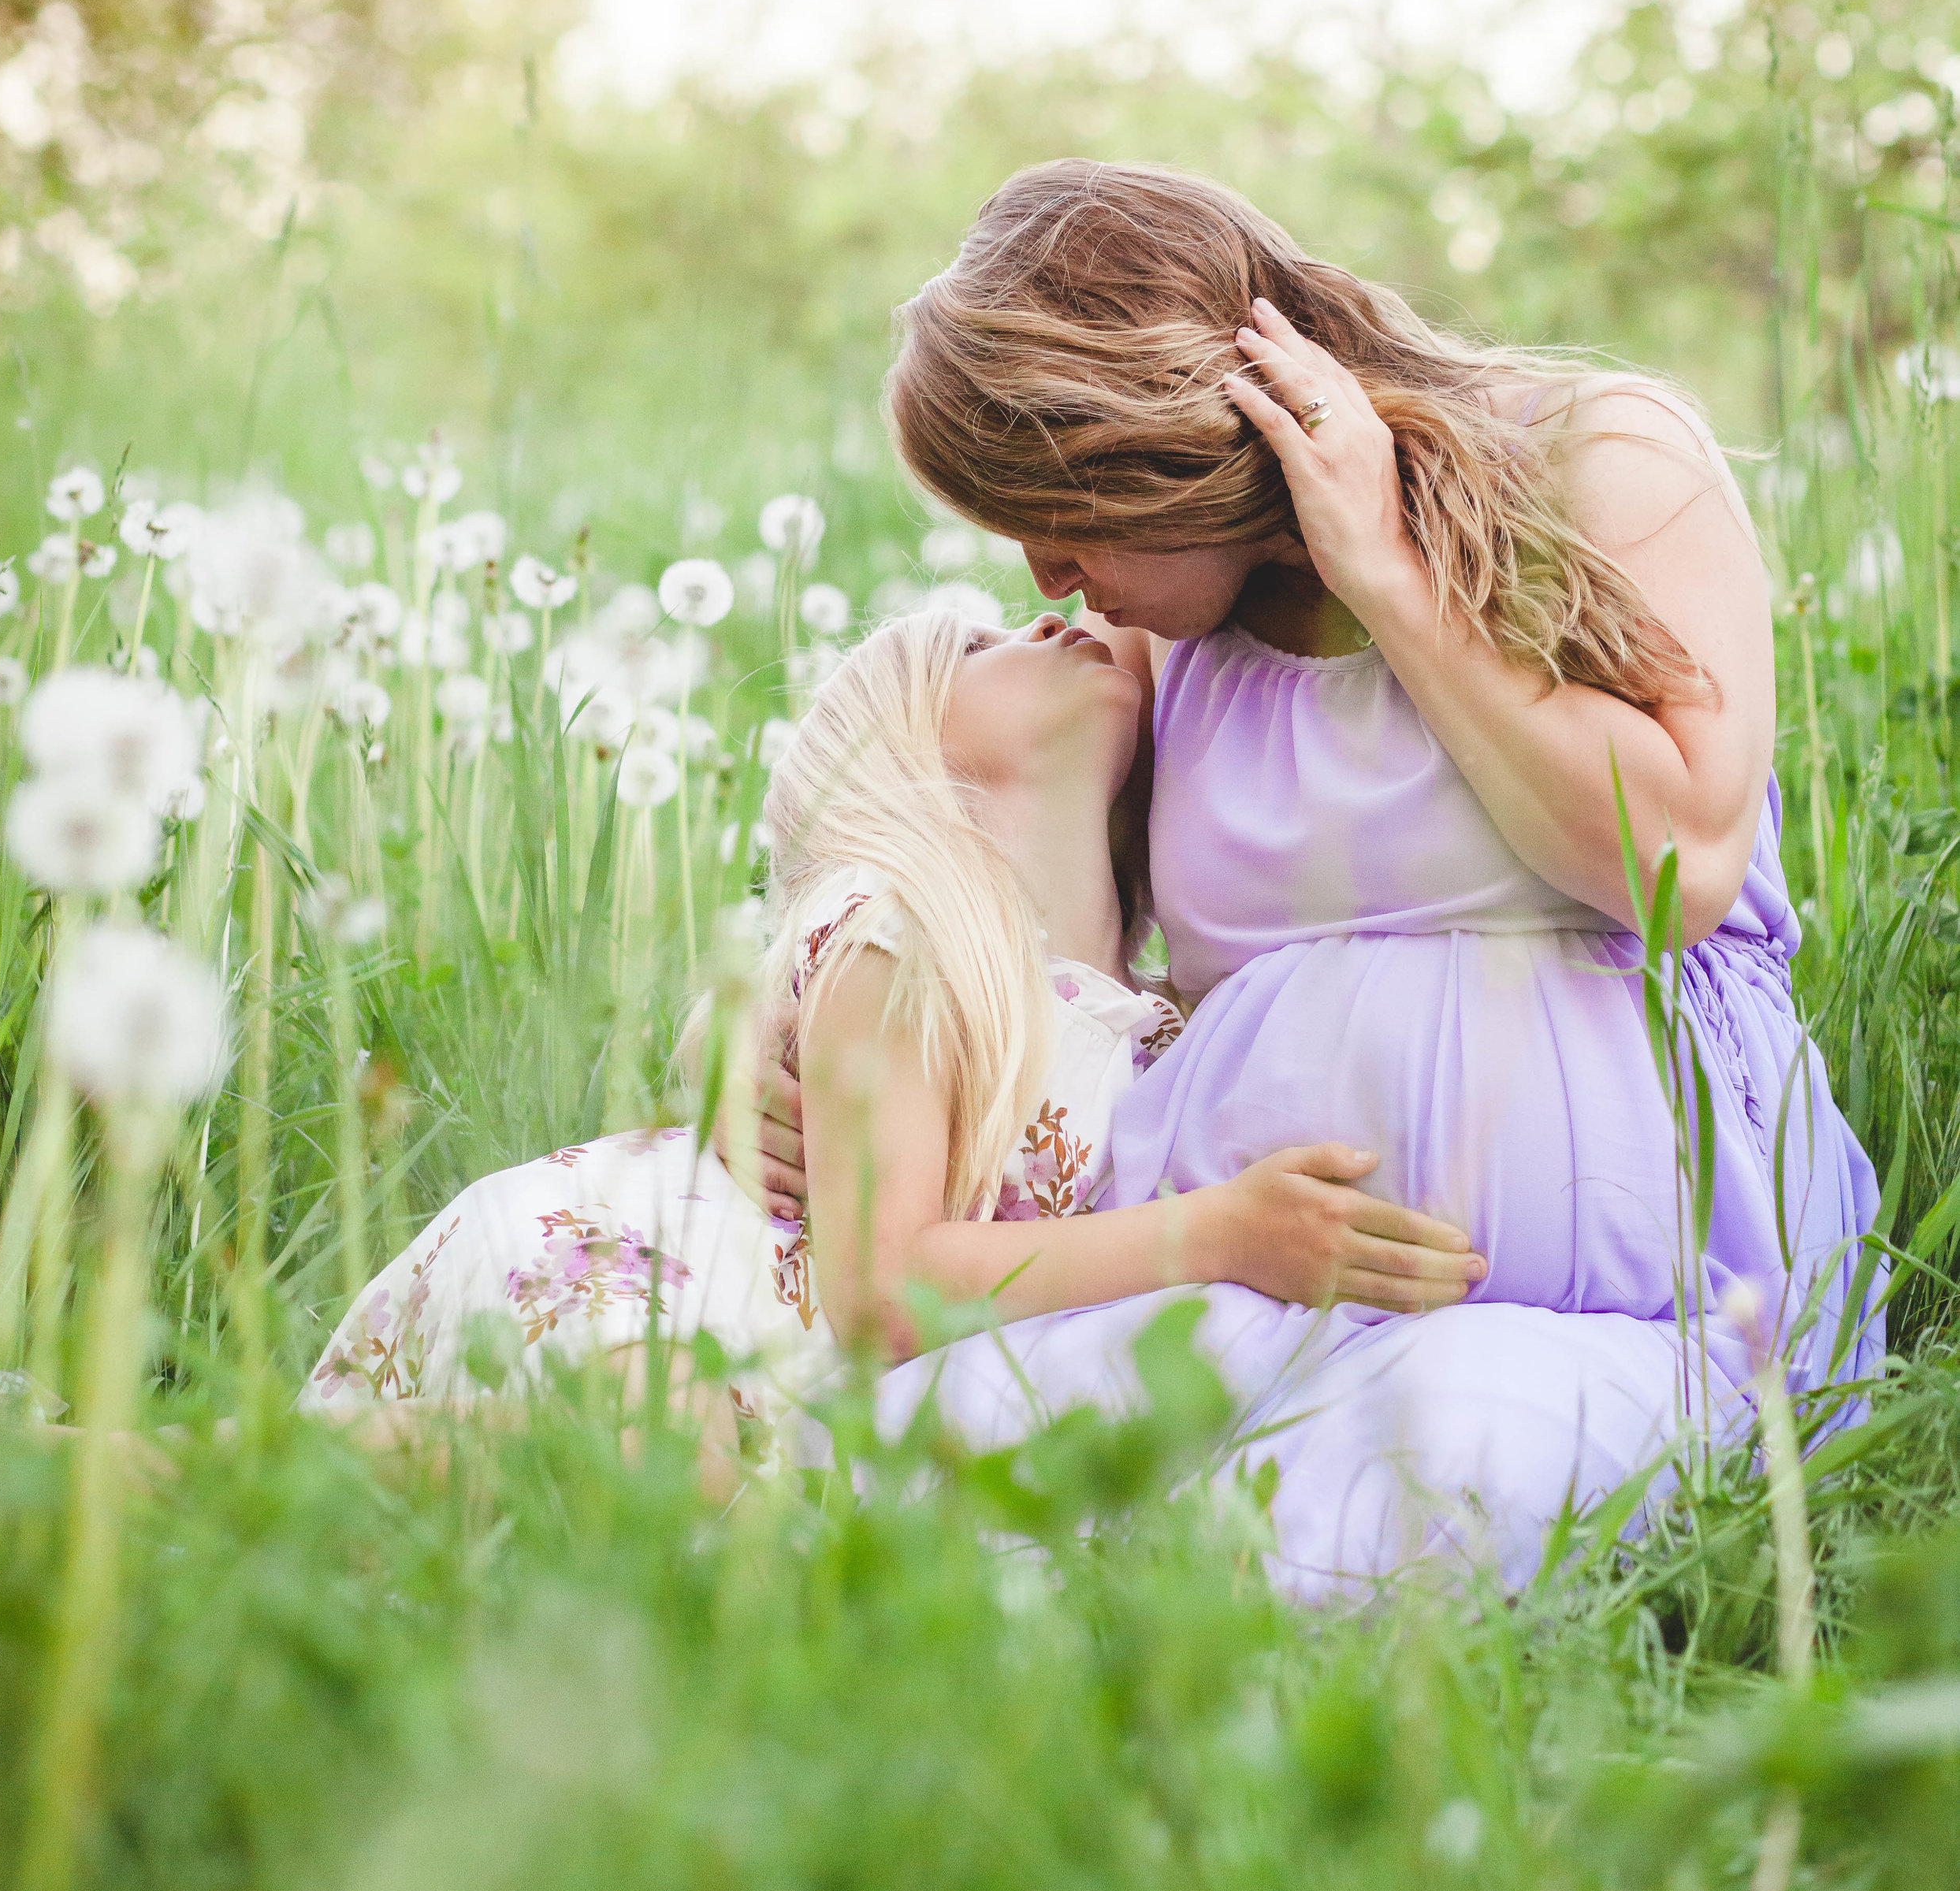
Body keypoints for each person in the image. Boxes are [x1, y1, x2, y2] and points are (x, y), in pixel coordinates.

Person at [855, 157, 1880, 1422]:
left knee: (1450, 1453)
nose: (1046, 575)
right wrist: (785, 1051)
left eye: (1058, 516)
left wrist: (1390, 578)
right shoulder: (1155, 639)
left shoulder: (1600, 455)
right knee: (917, 1446)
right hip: (1243, 1298)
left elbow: (1674, 870)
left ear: (1159, 452)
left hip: (1661, 1299)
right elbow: (976, 936)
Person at [303, 606, 1484, 1475]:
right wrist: (1221, 1236)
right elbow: (884, 1287)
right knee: (661, 1445)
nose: (1051, 614)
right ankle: (167, 1474)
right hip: (656, 1278)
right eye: (976, 645)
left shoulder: (1152, 1019)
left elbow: (1151, 625)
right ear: (905, 762)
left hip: (788, 1375)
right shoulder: (904, 936)